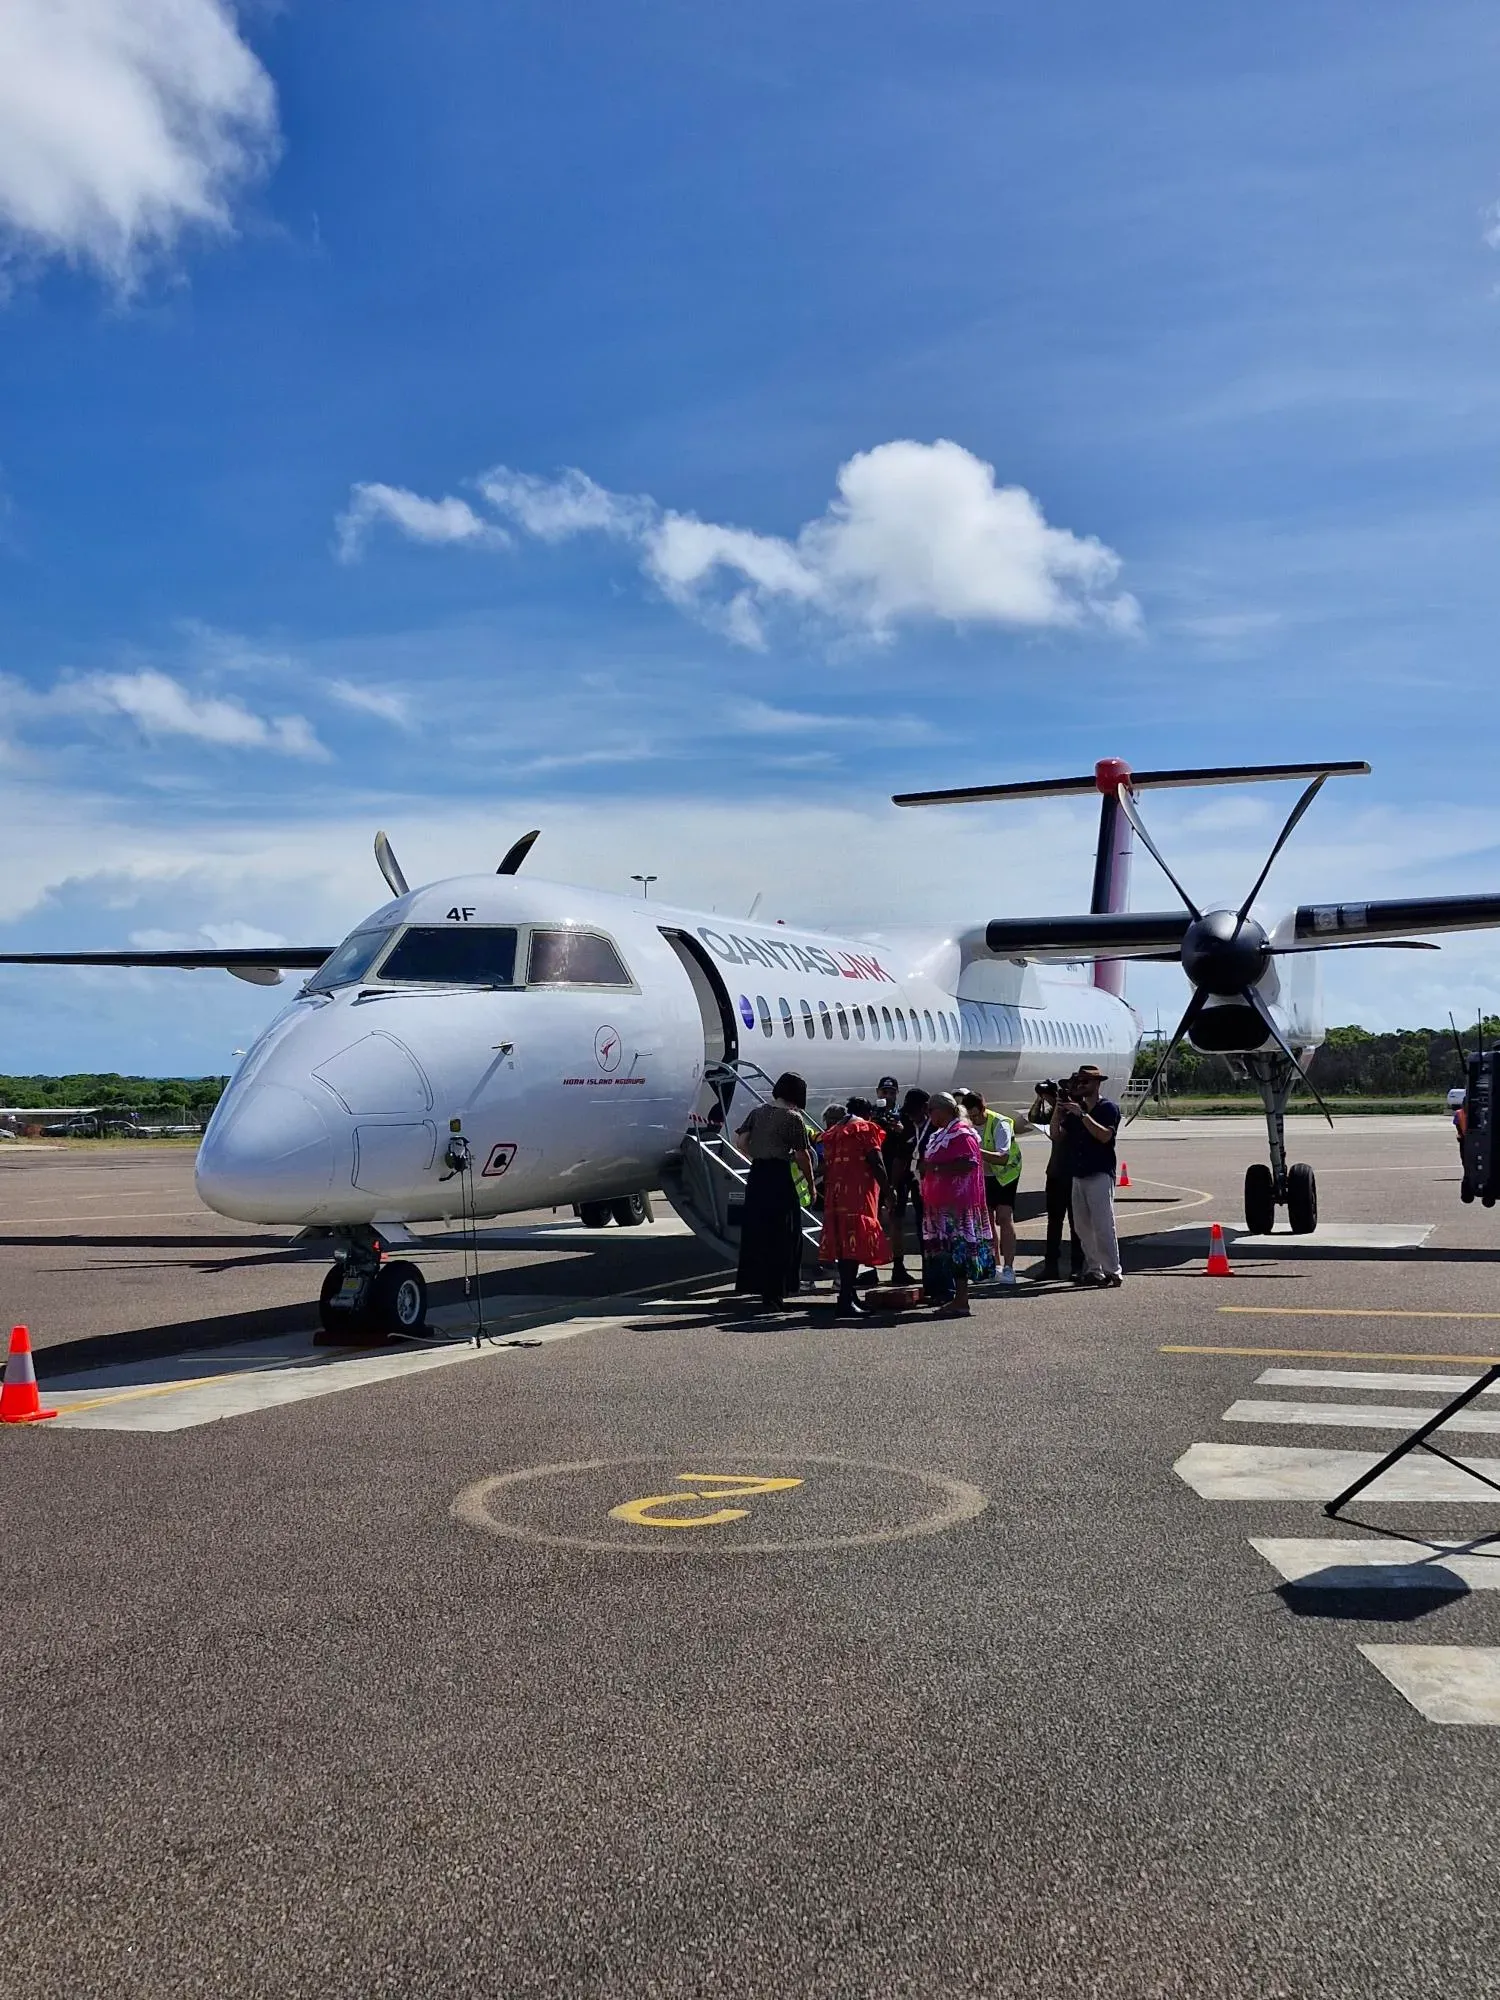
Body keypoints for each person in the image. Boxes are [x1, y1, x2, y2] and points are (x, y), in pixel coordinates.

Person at [733, 1072, 815, 1312]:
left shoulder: (757, 1112)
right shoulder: (793, 1118)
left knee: (759, 1233)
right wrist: (811, 1183)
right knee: (784, 1235)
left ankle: (759, 1287)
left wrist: (758, 1156)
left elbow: (741, 1142)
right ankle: (776, 1293)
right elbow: (802, 1155)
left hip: (758, 1175)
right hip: (779, 1176)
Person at [918, 1092, 996, 1317]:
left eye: (931, 1110)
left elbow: (968, 1163)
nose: (929, 1115)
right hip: (942, 1203)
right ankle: (956, 1297)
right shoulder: (942, 1134)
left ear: (942, 1110)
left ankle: (962, 1299)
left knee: (958, 1250)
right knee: (950, 1251)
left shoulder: (961, 1134)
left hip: (957, 1205)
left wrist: (935, 1169)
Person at [818, 1097, 891, 1316]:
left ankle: (849, 1295)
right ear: (868, 1114)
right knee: (852, 1247)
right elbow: (876, 1161)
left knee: (842, 1247)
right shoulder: (865, 1128)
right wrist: (889, 1191)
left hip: (836, 1195)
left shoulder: (833, 1132)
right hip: (857, 1195)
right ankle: (845, 1300)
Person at [1052, 1065, 1122, 1286]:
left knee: (1103, 1224)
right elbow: (1056, 1136)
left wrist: (1082, 1115)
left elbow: (1104, 1136)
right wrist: (1058, 1110)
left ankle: (1113, 1270)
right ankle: (1094, 1269)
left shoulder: (1107, 1108)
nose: (1080, 1086)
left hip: (1099, 1172)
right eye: (1079, 1082)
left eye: (1085, 1082)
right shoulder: (1074, 1111)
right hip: (1078, 1174)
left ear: (1097, 1084)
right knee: (1082, 1226)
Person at [962, 1089, 1020, 1286]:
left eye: (976, 1115)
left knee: (1004, 1216)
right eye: (970, 1117)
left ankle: (1009, 1268)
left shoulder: (1000, 1123)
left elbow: (1002, 1157)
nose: (974, 1120)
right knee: (986, 1220)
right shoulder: (967, 1122)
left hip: (1005, 1175)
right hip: (982, 1175)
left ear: (983, 1108)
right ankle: (994, 1266)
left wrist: (974, 1151)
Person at [1027, 1079, 1082, 1281]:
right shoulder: (1057, 1112)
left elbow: (1057, 1135)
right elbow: (1034, 1117)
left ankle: (1077, 1265)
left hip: (1074, 1173)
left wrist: (1062, 1107)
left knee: (1077, 1225)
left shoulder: (1078, 1112)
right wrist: (1043, 1099)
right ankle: (1051, 1265)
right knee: (1054, 1222)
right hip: (1056, 1172)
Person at [883, 1087, 929, 1286]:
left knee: (924, 1223)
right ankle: (898, 1266)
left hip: (919, 1176)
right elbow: (899, 1158)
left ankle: (928, 1268)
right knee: (897, 1220)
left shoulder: (931, 1125)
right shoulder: (903, 1119)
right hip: (902, 1173)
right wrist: (891, 1186)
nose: (911, 1116)